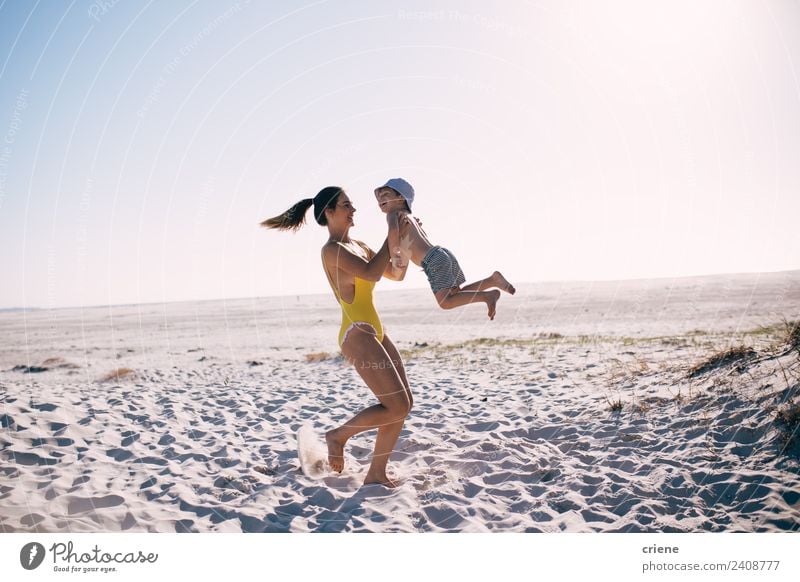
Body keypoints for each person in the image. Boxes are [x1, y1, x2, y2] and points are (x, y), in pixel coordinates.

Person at [261, 186, 412, 488]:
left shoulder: (359, 244)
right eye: (346, 205)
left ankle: (376, 472)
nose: (353, 210)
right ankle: (338, 436)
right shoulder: (332, 250)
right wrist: (391, 227)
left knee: (403, 404)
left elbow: (395, 274)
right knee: (394, 405)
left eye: (352, 205)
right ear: (328, 213)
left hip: (375, 330)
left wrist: (404, 242)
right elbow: (370, 273)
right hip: (356, 332)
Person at [375, 177, 515, 320]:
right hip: (441, 253)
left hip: (432, 261)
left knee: (445, 303)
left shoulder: (393, 214)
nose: (380, 199)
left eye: (385, 194)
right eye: (378, 196)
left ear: (400, 199)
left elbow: (393, 231)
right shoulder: (409, 219)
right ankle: (491, 281)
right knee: (455, 295)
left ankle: (487, 295)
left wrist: (395, 256)